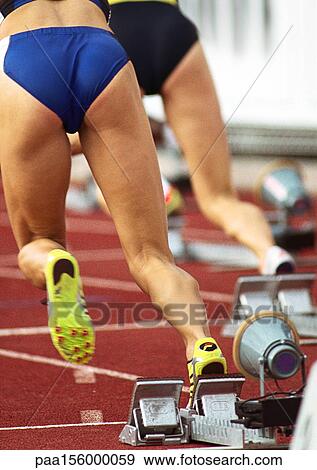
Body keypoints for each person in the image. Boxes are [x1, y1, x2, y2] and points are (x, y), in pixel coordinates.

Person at [0, 0, 226, 400]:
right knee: (152, 258)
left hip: (24, 59)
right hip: (101, 54)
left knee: (38, 239)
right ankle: (200, 344)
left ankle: (55, 261)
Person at [83, 0, 295, 275]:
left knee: (101, 168)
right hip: (173, 31)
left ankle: (158, 190)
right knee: (219, 198)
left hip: (115, 31)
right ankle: (269, 251)